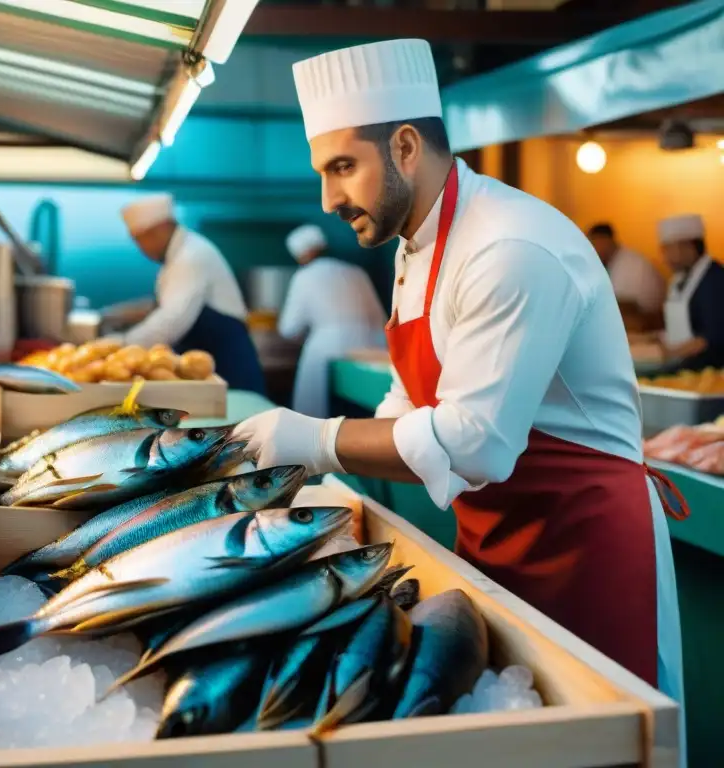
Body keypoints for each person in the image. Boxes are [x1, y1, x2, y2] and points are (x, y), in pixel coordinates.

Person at [232, 37, 686, 748]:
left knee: (594, 742)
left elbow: (473, 441)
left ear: (406, 146)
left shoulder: (510, 247)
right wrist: (326, 465)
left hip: (583, 545)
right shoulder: (415, 246)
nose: (328, 198)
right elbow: (408, 403)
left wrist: (315, 441)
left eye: (342, 167)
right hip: (499, 534)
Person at [104, 193, 266, 394]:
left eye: (140, 240)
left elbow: (171, 321)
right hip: (208, 375)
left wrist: (122, 345)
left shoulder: (191, 256)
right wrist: (115, 315)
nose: (141, 249)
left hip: (228, 371)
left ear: (159, 229)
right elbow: (160, 307)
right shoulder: (176, 258)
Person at [278, 223, 388, 417]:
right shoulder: (356, 272)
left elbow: (288, 328)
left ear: (301, 255)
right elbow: (381, 318)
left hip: (327, 349)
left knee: (315, 415)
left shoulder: (304, 276)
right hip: (371, 347)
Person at [655, 214, 724, 369]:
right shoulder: (679, 280)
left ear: (688, 247)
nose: (664, 258)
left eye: (668, 249)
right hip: (682, 366)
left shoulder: (715, 280)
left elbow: (711, 337)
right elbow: (678, 331)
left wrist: (667, 356)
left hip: (710, 372)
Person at [586, 222, 665, 331]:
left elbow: (627, 306)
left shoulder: (632, 263)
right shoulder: (613, 262)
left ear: (604, 240)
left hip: (644, 325)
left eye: (593, 244)